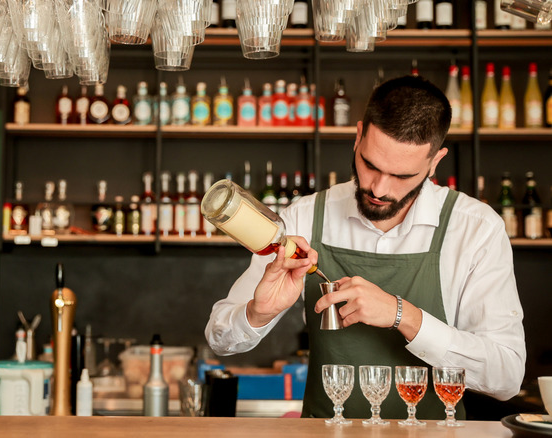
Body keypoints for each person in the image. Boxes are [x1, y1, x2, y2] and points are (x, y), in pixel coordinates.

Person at [204, 75, 526, 420]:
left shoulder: (476, 228)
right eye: (370, 164)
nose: (379, 188)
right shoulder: (304, 216)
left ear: (435, 161)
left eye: (402, 176)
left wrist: (404, 316)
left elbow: (506, 377)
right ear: (358, 136)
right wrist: (259, 312)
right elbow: (219, 339)